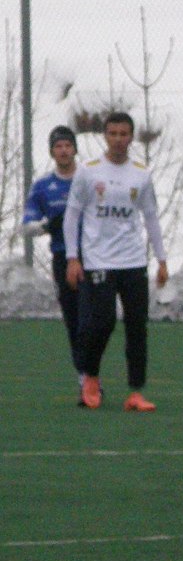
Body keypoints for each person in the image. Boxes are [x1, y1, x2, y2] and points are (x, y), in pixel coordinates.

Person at [62, 112, 168, 411]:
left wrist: (161, 259)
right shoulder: (88, 171)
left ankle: (135, 392)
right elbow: (72, 215)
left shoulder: (141, 174)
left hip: (133, 260)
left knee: (137, 326)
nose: (118, 139)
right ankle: (91, 377)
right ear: (105, 136)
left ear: (131, 137)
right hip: (99, 260)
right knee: (103, 322)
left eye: (124, 134)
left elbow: (150, 217)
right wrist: (72, 258)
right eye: (113, 134)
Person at [21, 126, 86, 394]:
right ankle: (85, 376)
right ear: (51, 152)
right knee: (74, 318)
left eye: (68, 145)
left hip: (95, 255)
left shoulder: (88, 179)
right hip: (63, 258)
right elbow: (27, 227)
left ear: (75, 149)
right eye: (58, 146)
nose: (64, 151)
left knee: (95, 318)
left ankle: (92, 369)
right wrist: (48, 226)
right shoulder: (43, 187)